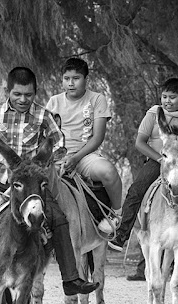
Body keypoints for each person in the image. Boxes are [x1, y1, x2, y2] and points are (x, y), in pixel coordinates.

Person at [0, 67, 98, 304]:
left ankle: (71, 279)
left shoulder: (43, 116)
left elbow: (59, 143)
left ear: (35, 93)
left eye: (28, 95)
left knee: (59, 219)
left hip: (33, 184)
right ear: (7, 92)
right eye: (17, 94)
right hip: (0, 181)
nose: (23, 100)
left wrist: (55, 159)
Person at [108, 78, 178, 261]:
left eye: (172, 97)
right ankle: (122, 233)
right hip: (158, 161)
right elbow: (140, 142)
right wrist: (161, 158)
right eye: (164, 96)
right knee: (136, 190)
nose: (167, 101)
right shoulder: (153, 114)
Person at [46, 58, 123, 235]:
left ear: (86, 79)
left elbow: (97, 137)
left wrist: (75, 158)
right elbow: (46, 136)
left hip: (84, 156)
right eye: (66, 78)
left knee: (109, 171)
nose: (71, 83)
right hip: (58, 158)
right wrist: (56, 158)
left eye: (76, 78)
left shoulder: (97, 99)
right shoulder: (54, 102)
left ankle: (116, 215)